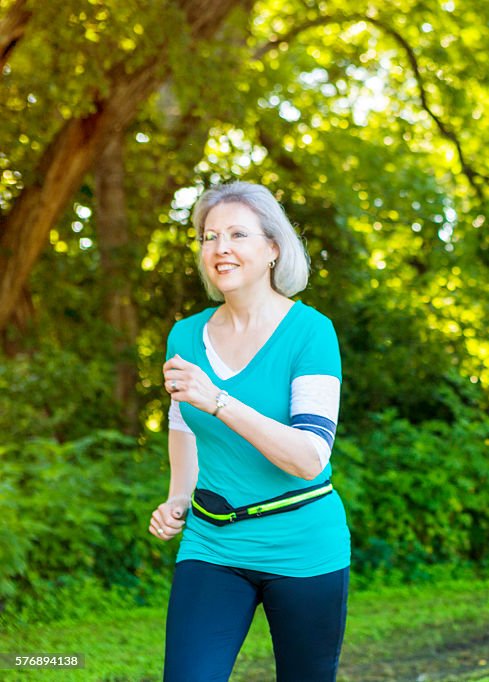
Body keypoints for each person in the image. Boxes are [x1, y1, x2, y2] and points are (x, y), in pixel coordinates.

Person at [148, 181, 349, 682]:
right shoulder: (184, 335)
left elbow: (309, 458)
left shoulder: (311, 332)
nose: (221, 248)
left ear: (272, 248)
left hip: (303, 546)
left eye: (238, 234)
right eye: (209, 237)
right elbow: (182, 423)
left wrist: (218, 401)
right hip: (211, 544)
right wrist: (178, 495)